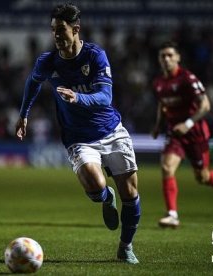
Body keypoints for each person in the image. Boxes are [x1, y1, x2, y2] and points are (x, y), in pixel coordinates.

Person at [15, 3, 141, 264]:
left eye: (61, 30)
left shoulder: (95, 56)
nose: (56, 36)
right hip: (79, 137)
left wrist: (78, 98)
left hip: (110, 131)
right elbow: (32, 82)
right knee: (95, 186)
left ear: (76, 29)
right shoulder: (48, 61)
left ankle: (125, 247)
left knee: (130, 193)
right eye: (53, 31)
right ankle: (106, 198)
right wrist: (24, 113)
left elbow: (106, 97)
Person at [151, 41, 213, 228]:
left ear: (178, 57)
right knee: (166, 168)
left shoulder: (187, 78)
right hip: (175, 133)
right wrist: (158, 125)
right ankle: (172, 214)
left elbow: (205, 105)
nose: (166, 59)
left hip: (195, 133)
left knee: (202, 177)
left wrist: (188, 123)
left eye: (170, 55)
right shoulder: (158, 82)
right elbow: (162, 104)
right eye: (162, 56)